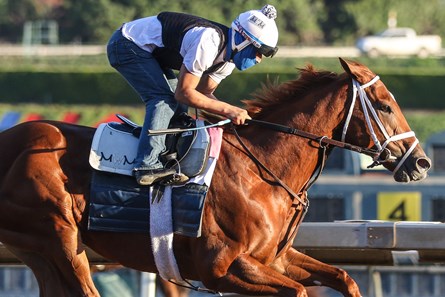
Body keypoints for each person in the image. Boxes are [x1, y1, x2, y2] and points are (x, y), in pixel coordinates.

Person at [107, 4, 279, 186]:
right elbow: (184, 93)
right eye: (258, 52)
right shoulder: (209, 41)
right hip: (126, 44)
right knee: (164, 100)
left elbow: (202, 94)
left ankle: (167, 158)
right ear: (242, 40)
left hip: (151, 53)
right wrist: (229, 110)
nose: (258, 59)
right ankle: (146, 165)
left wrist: (233, 116)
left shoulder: (227, 62)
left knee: (179, 107)